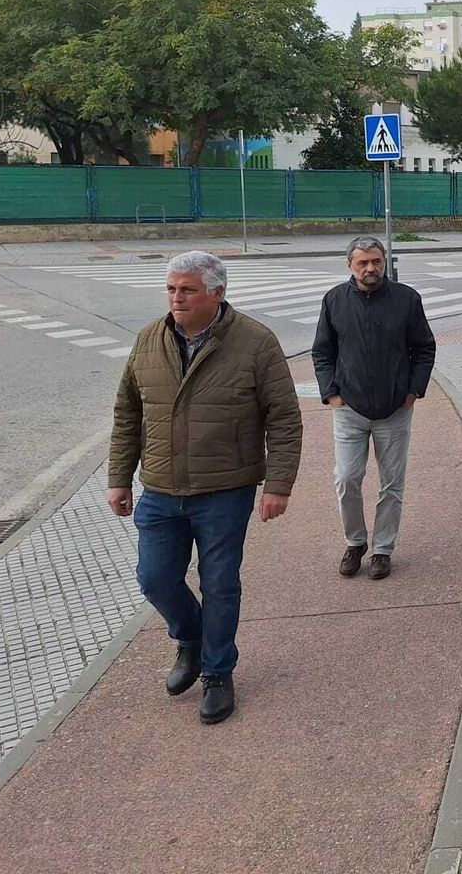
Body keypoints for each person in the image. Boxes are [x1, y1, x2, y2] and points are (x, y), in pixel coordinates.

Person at [107, 250, 301, 724]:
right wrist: (118, 477)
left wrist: (278, 483)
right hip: (160, 488)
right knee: (154, 578)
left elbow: (285, 417)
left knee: (219, 584)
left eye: (187, 289)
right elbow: (128, 412)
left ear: (217, 292)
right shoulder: (149, 339)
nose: (176, 298)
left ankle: (217, 673)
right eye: (171, 289)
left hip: (225, 488)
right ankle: (190, 639)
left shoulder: (255, 342)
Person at [312, 236, 437, 581]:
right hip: (349, 407)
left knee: (392, 483)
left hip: (395, 408)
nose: (371, 269)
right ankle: (355, 543)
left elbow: (424, 348)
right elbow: (322, 352)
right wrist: (331, 393)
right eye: (363, 263)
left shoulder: (406, 299)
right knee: (347, 478)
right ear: (349, 265)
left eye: (376, 262)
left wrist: (413, 390)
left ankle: (382, 549)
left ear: (385, 262)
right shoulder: (335, 300)